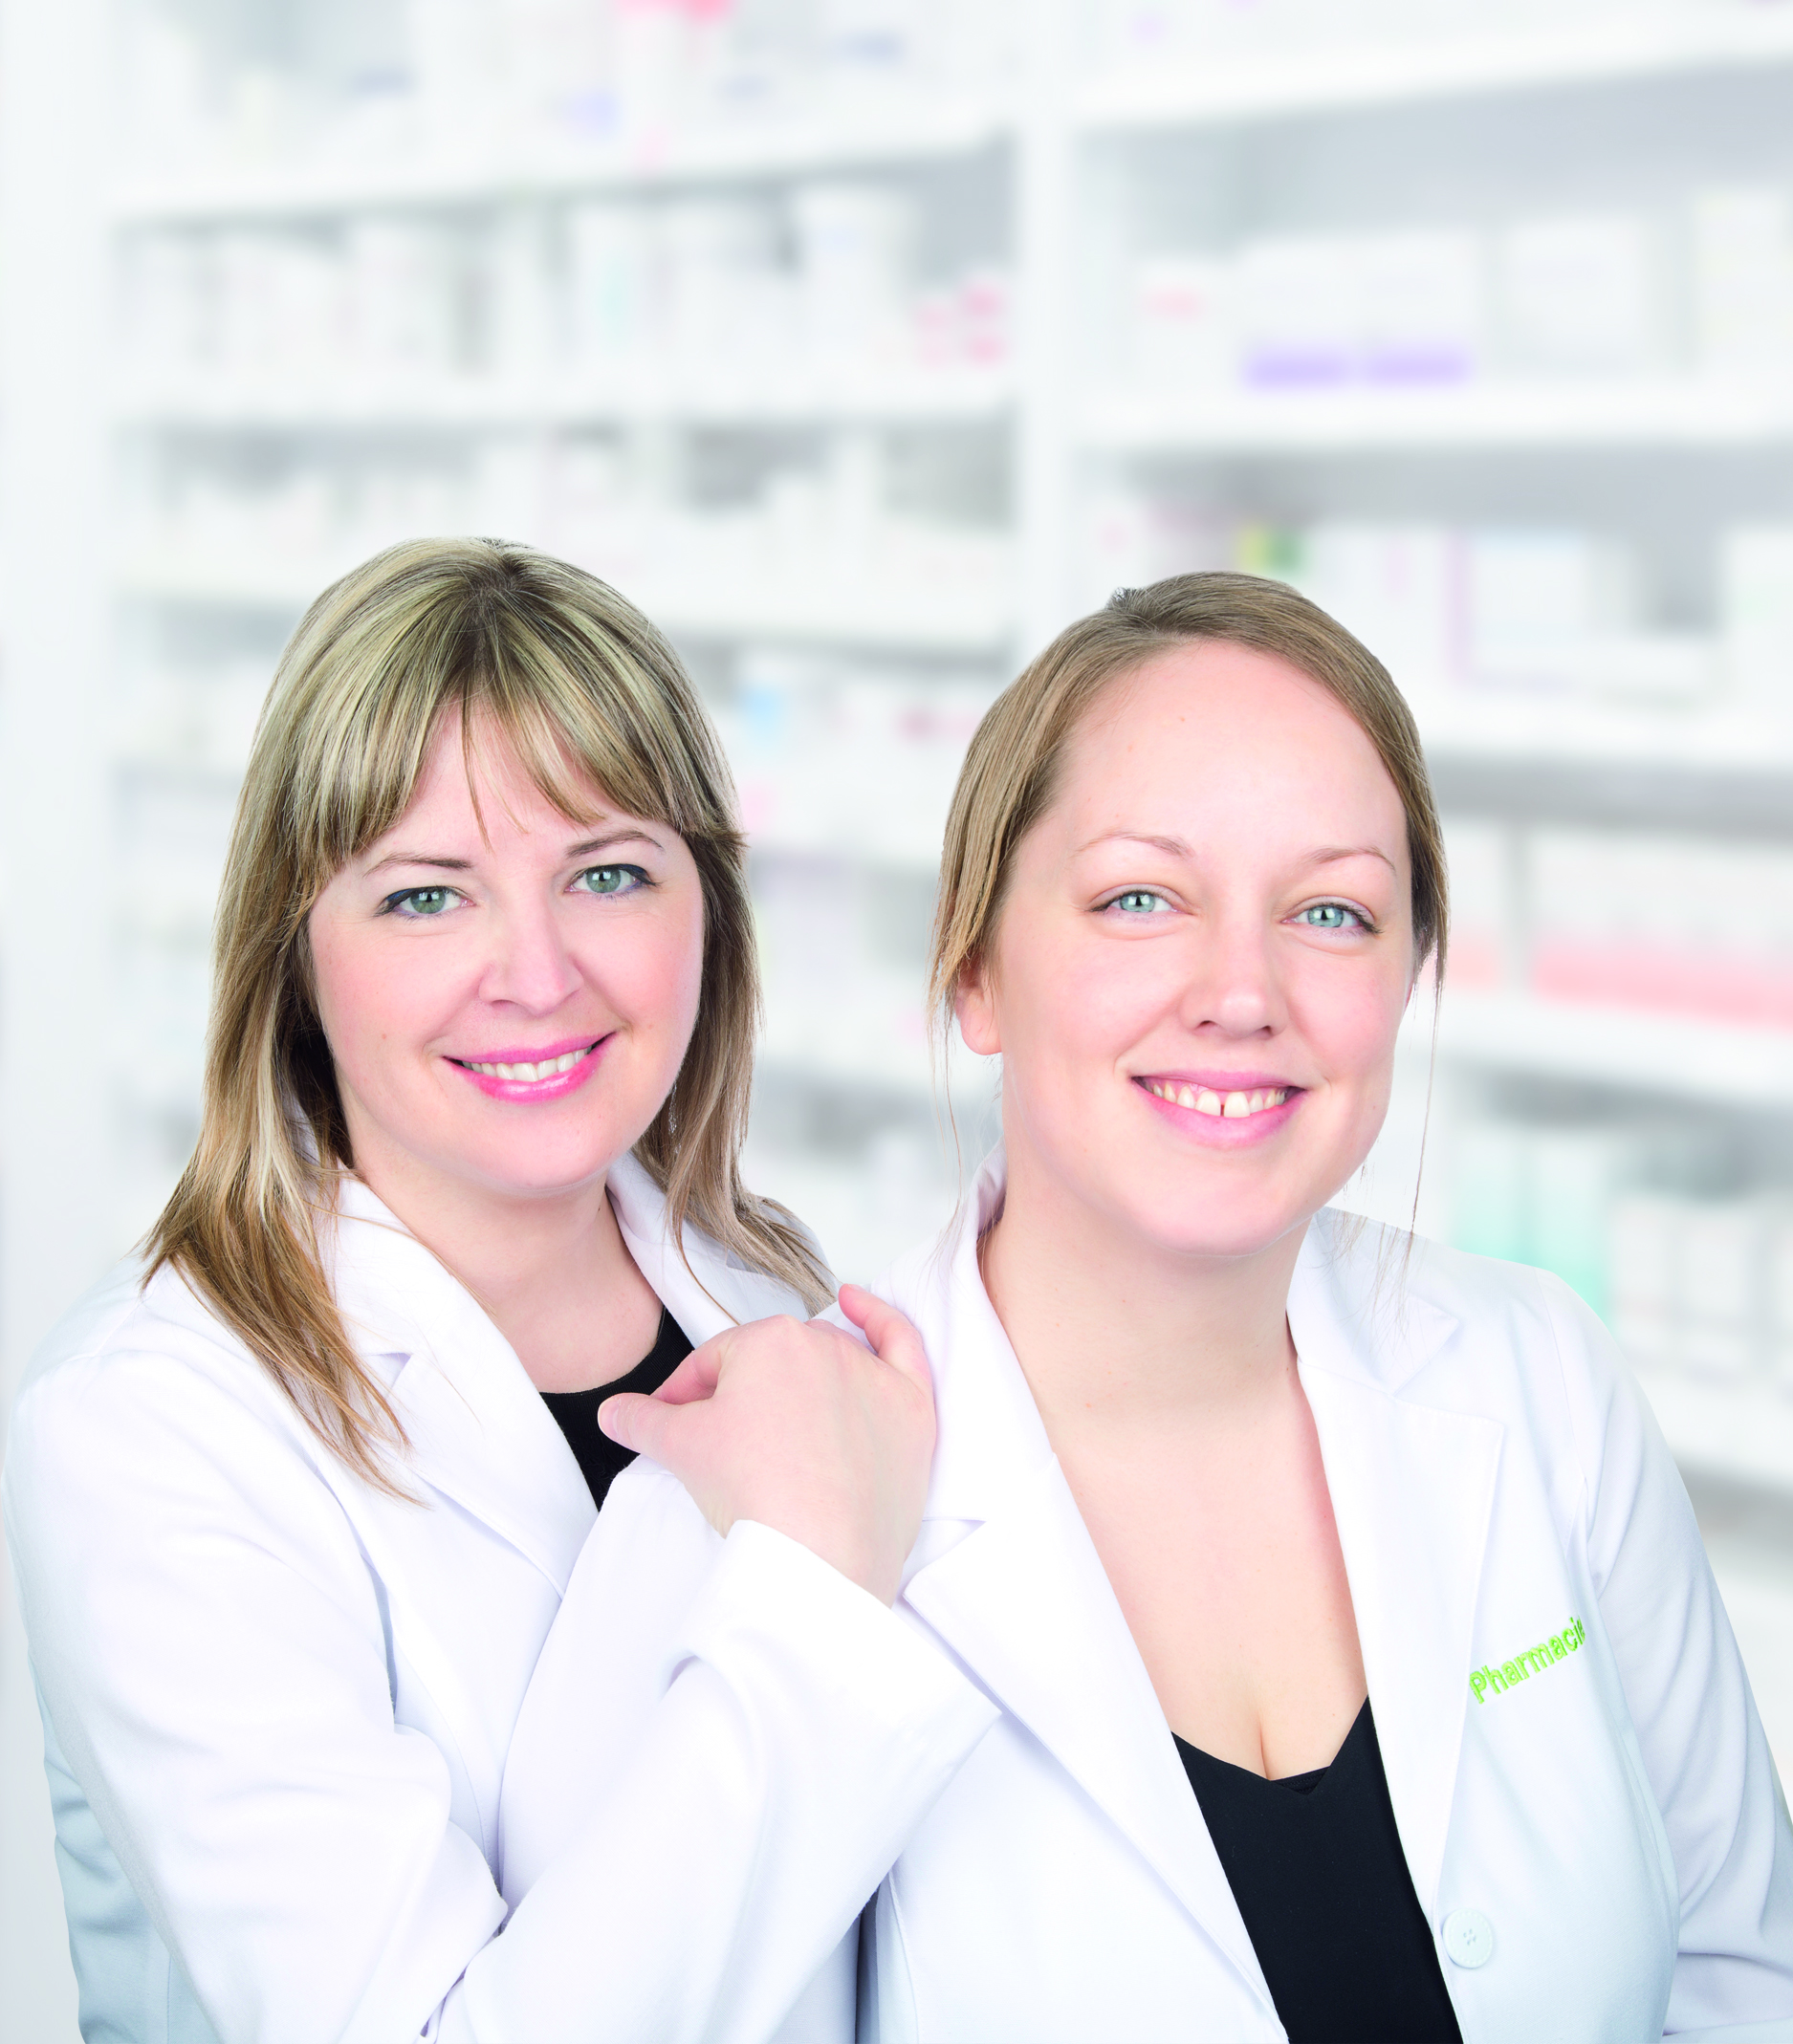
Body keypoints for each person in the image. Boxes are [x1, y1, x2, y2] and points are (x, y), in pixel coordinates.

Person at [3, 538, 995, 2044]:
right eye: (424, 896)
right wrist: (812, 1609)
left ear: (708, 908)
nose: (534, 973)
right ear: (293, 949)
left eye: (607, 873)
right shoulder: (153, 1429)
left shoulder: (778, 1302)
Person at [820, 572, 1788, 2041]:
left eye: (1331, 911)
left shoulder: (1538, 1375)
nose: (1240, 990)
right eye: (1139, 897)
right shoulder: (798, 1493)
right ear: (973, 968)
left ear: (1406, 980)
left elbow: (1740, 1971)